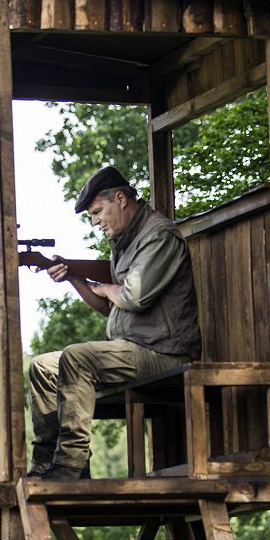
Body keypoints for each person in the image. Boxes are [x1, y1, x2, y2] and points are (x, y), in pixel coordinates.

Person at [28, 165, 201, 480]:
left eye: (97, 212)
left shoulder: (158, 236)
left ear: (120, 199)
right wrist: (72, 276)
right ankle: (46, 463)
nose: (95, 222)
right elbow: (109, 309)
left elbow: (132, 298)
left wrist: (107, 287)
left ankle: (70, 464)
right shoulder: (123, 242)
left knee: (77, 357)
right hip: (130, 350)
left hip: (164, 353)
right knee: (42, 367)